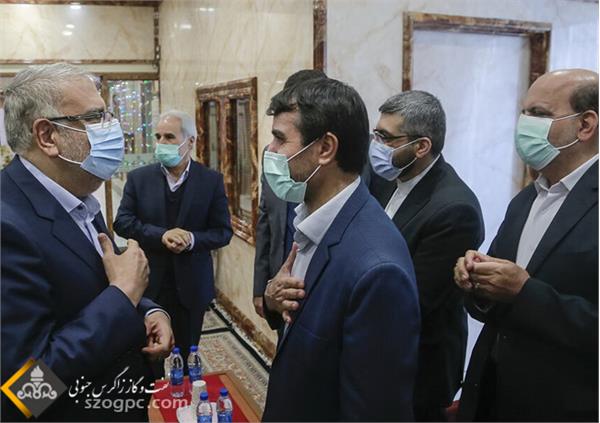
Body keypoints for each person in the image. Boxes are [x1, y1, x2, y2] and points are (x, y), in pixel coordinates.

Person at [1, 63, 173, 421]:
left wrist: (147, 309)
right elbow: (24, 395)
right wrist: (124, 296)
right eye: (95, 117)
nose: (112, 128)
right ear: (47, 136)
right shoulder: (8, 228)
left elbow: (97, 282)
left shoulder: (76, 195)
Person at [261, 77, 420, 421]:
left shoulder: (378, 272)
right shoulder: (312, 217)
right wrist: (274, 298)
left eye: (280, 138)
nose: (270, 151)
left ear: (325, 148)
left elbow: (374, 412)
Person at [454, 69, 598, 421]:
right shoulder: (527, 199)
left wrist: (525, 292)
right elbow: (495, 301)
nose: (524, 124)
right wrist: (477, 280)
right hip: (493, 395)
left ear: (585, 125)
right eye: (524, 112)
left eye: (539, 114)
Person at [368, 91, 485, 421]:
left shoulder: (454, 209)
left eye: (386, 138)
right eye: (375, 134)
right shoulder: (388, 178)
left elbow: (414, 301)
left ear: (421, 146)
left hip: (417, 368)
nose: (376, 145)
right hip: (376, 351)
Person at [113, 110, 232, 368]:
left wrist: (191, 239)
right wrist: (161, 235)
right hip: (149, 285)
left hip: (191, 287)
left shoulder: (210, 181)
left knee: (187, 357)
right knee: (149, 356)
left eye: (169, 137)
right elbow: (122, 222)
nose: (161, 143)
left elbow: (223, 232)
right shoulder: (139, 179)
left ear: (190, 141)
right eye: (158, 137)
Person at [253, 69, 327, 320]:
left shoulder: (345, 164)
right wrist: (260, 287)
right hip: (279, 280)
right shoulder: (272, 155)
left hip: (319, 284)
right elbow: (265, 218)